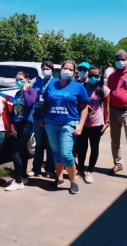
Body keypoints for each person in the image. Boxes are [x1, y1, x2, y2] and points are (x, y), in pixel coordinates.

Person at [40, 60, 89, 194]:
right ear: (60, 70)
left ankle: (73, 182)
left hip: (69, 123)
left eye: (70, 69)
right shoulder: (52, 85)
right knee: (55, 152)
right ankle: (59, 178)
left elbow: (84, 108)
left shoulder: (78, 87)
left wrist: (81, 125)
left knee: (66, 154)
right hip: (51, 123)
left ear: (74, 72)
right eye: (65, 68)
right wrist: (42, 119)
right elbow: (45, 104)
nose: (67, 71)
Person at [76, 65, 110, 183]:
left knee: (94, 148)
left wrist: (107, 121)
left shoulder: (104, 90)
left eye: (96, 75)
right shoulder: (82, 87)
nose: (92, 77)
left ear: (100, 76)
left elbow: (106, 107)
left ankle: (89, 172)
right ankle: (80, 170)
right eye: (90, 75)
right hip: (83, 124)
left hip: (97, 123)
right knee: (82, 148)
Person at [108, 49, 127, 183]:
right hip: (114, 111)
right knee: (115, 140)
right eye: (118, 59)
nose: (121, 61)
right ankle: (118, 164)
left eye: (123, 59)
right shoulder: (112, 76)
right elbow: (109, 94)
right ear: (115, 61)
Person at [5, 72, 37, 191]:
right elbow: (14, 110)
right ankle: (23, 177)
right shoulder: (17, 93)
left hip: (26, 124)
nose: (18, 81)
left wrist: (24, 90)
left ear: (27, 79)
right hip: (17, 124)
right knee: (22, 151)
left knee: (15, 152)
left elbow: (29, 103)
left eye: (21, 79)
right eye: (17, 79)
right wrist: (12, 124)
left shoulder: (31, 92)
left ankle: (18, 182)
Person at [28, 61, 56, 178]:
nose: (45, 70)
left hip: (50, 119)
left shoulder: (56, 83)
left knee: (50, 146)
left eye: (48, 68)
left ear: (52, 70)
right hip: (37, 117)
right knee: (39, 145)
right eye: (43, 68)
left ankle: (49, 169)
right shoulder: (37, 83)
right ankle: (36, 168)